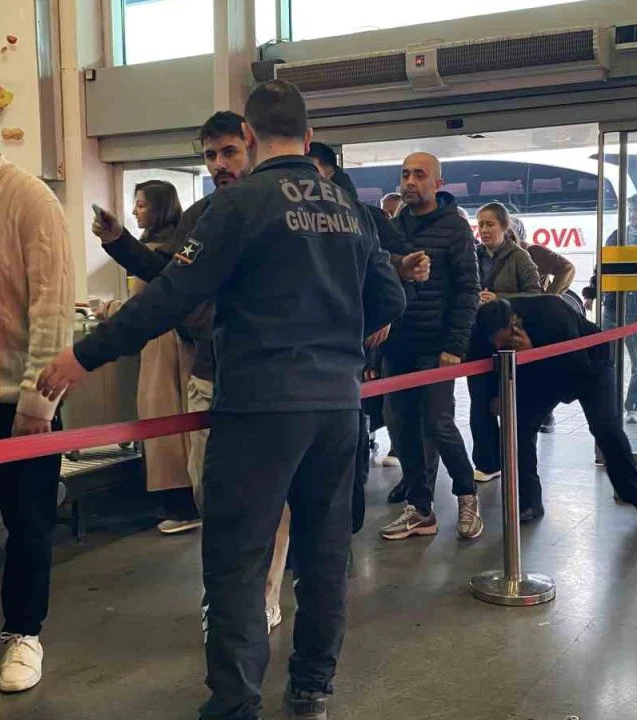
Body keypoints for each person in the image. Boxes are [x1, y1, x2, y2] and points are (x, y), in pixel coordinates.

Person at [38, 80, 407, 720]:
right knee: (324, 556)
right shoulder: (349, 209)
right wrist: (340, 338)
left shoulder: (241, 205)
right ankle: (312, 690)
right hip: (337, 409)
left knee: (237, 561)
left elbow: (169, 296)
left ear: (252, 137)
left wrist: (85, 355)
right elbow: (391, 298)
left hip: (259, 407)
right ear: (309, 137)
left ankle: (235, 705)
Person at [98, 111, 294, 629]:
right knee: (210, 491)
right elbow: (169, 279)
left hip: (271, 381)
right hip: (209, 370)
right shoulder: (202, 215)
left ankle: (265, 592)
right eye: (210, 155)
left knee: (270, 495)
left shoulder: (277, 210)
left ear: (252, 147)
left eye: (229, 152)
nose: (220, 164)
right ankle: (226, 589)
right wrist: (120, 243)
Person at [0, 77, 74, 693]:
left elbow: (53, 306)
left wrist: (38, 399)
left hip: (17, 399)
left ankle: (24, 633)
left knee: (28, 525)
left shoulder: (31, 201)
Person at [305, 140, 431, 533]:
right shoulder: (291, 219)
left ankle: (352, 520)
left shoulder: (364, 216)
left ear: (330, 172)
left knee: (356, 436)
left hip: (356, 351)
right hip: (312, 355)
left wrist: (383, 316)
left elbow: (407, 278)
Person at [470, 295, 637, 522]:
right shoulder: (482, 331)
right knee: (519, 429)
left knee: (605, 426)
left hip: (590, 366)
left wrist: (532, 351)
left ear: (514, 323)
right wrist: (495, 396)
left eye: (503, 341)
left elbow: (576, 368)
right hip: (538, 372)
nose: (498, 346)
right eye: (494, 342)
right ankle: (529, 502)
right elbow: (479, 371)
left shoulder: (552, 313)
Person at [378, 151, 483, 542]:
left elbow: (468, 290)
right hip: (398, 346)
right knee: (402, 427)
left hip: (437, 347)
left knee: (438, 424)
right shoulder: (393, 226)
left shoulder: (455, 228)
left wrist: (455, 345)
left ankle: (467, 495)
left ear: (438, 184)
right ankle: (420, 509)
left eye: (419, 175)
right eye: (405, 174)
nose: (409, 181)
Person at [92, 180, 199, 533]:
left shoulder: (154, 251)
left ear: (158, 208)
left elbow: (143, 305)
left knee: (165, 421)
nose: (135, 211)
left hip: (161, 346)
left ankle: (180, 505)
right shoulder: (179, 244)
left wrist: (107, 309)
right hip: (178, 344)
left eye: (141, 205)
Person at [470, 201, 542, 479]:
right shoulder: (473, 255)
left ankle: (516, 462)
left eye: (490, 224)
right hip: (479, 338)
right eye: (480, 225)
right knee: (479, 401)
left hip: (510, 341)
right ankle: (487, 463)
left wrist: (499, 299)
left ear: (504, 226)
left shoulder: (520, 257)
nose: (484, 230)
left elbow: (535, 295)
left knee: (510, 403)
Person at [604, 194, 637, 424]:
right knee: (606, 358)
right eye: (631, 210)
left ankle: (634, 404)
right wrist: (594, 292)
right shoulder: (617, 236)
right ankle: (609, 403)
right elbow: (603, 266)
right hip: (614, 305)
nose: (633, 215)